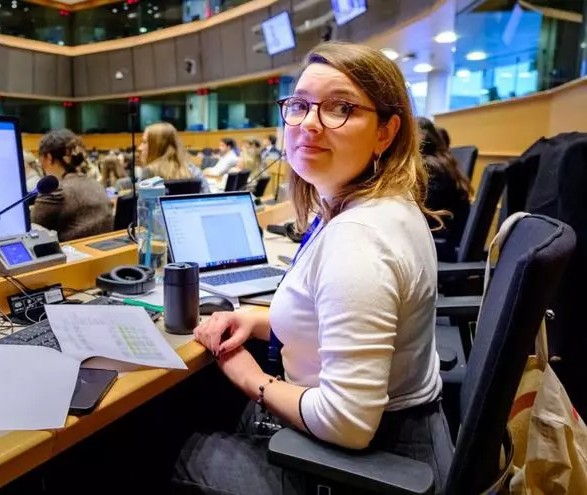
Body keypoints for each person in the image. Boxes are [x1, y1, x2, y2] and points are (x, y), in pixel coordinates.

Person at [174, 41, 452, 494]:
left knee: (161, 446)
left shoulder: (359, 239)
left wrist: (248, 376)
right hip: (396, 442)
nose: (308, 123)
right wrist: (254, 319)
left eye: (340, 108)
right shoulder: (370, 207)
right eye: (300, 106)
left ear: (385, 132)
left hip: (371, 467)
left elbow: (347, 423)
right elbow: (333, 322)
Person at [30, 129, 113, 242]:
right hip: (104, 250)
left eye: (40, 157)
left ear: (49, 157)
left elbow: (30, 229)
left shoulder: (56, 191)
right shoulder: (95, 183)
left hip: (73, 252)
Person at [418, 117, 472, 261]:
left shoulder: (430, 168)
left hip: (437, 244)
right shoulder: (443, 162)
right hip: (444, 238)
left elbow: (423, 212)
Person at [138, 122, 210, 193]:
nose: (140, 148)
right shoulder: (193, 171)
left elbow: (140, 200)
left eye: (144, 142)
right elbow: (208, 197)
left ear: (157, 147)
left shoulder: (148, 174)